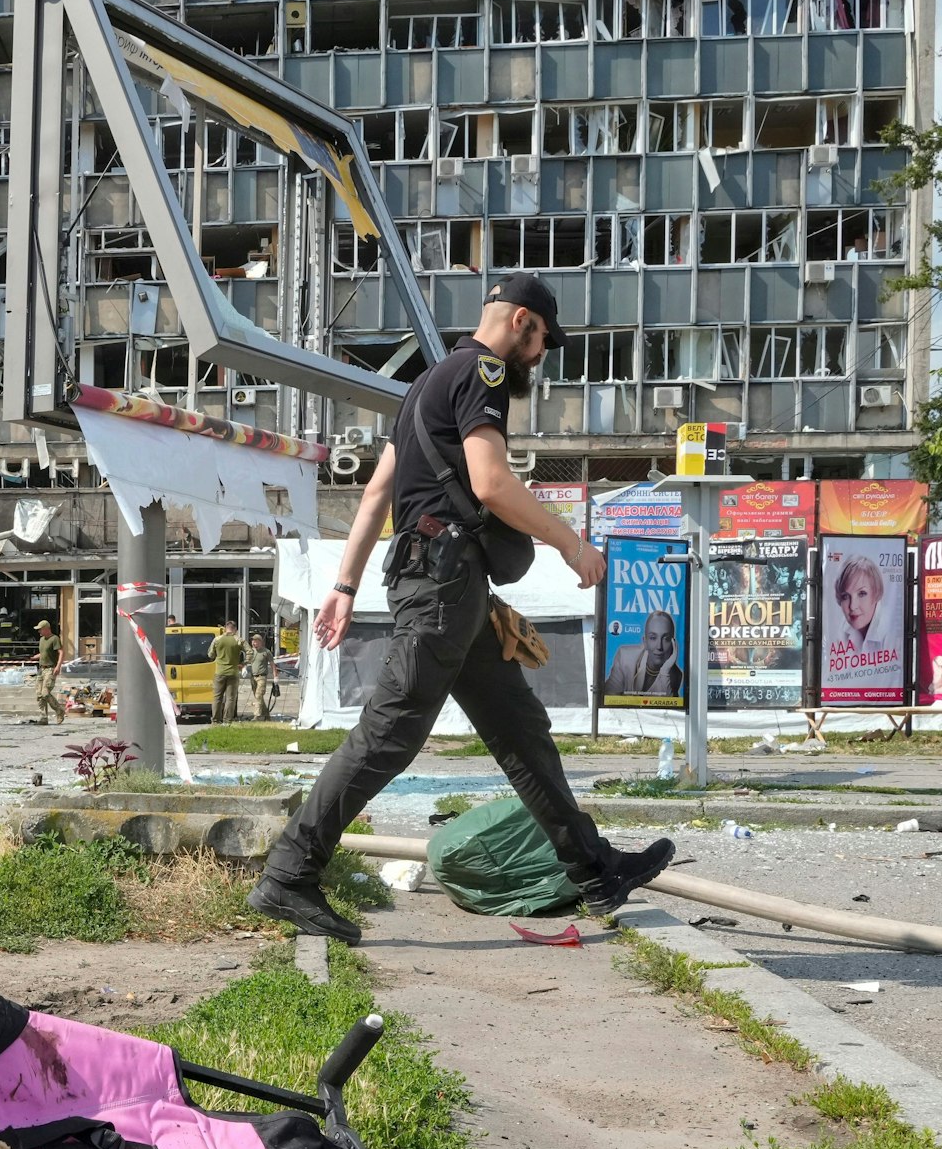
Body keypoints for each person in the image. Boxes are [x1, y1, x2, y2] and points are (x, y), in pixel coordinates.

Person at [246, 274, 673, 943]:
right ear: (522, 322)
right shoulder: (485, 371)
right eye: (542, 342)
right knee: (390, 734)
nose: (540, 357)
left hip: (450, 584)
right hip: (443, 585)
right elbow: (491, 481)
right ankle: (288, 873)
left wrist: (345, 585)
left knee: (521, 729)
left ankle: (593, 870)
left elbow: (377, 493)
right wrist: (570, 543)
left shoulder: (425, 384)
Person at [604, 610, 683, 698]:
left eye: (666, 638)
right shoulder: (625, 657)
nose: (659, 646)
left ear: (673, 644)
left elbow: (670, 708)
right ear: (645, 641)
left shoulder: (675, 675)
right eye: (653, 638)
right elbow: (609, 697)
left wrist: (665, 673)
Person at [208, 620, 245, 724]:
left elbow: (210, 655)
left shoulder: (217, 639)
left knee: (217, 697)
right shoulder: (238, 640)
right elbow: (250, 652)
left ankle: (215, 720)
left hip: (219, 672)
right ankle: (227, 720)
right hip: (233, 673)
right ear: (235, 629)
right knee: (230, 698)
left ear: (225, 628)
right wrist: (244, 663)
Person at [33, 618, 65, 724]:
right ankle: (43, 717)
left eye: (40, 629)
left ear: (46, 629)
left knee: (45, 693)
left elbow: (61, 652)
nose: (39, 632)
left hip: (50, 668)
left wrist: (58, 666)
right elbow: (43, 653)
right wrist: (33, 658)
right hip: (41, 669)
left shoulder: (54, 639)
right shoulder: (42, 640)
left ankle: (59, 710)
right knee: (39, 694)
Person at [246, 632, 277, 720]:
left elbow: (272, 665)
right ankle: (266, 715)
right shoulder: (251, 652)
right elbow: (246, 661)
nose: (253, 643)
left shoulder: (266, 652)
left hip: (261, 677)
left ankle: (257, 716)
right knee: (257, 697)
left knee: (259, 695)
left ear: (260, 642)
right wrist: (243, 667)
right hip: (253, 677)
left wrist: (275, 677)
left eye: (256, 641)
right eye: (253, 641)